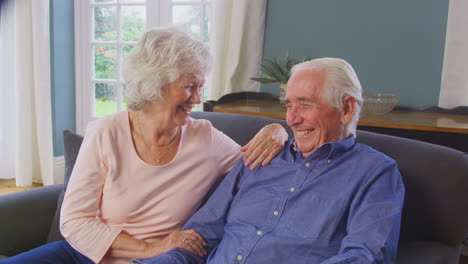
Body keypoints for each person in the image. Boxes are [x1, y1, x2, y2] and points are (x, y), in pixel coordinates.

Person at [0, 27, 288, 264]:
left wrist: (277, 130)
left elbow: (261, 162)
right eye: (189, 86)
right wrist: (150, 247)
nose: (198, 98)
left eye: (201, 86)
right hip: (83, 254)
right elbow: (75, 222)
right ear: (155, 84)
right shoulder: (106, 132)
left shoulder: (206, 138)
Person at [135, 58, 405, 264]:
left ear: (346, 109)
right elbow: (200, 235)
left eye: (305, 104)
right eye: (288, 105)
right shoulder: (260, 155)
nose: (291, 119)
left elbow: (365, 256)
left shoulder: (375, 173)